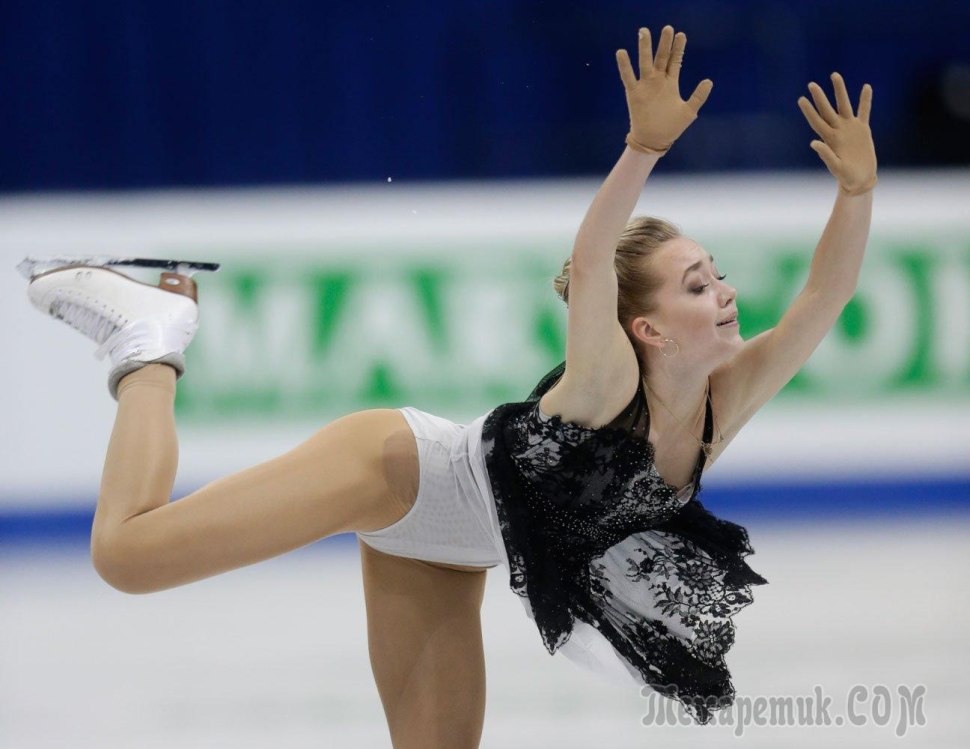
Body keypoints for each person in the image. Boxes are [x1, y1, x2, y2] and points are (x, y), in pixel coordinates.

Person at [18, 23, 876, 743]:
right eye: (697, 284)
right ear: (644, 325)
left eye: (714, 273)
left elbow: (823, 296)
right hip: (389, 469)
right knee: (125, 556)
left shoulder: (723, 405)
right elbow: (590, 260)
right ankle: (149, 345)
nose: (725, 290)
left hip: (445, 550)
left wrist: (858, 189)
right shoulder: (610, 377)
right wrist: (641, 149)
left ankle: (151, 342)